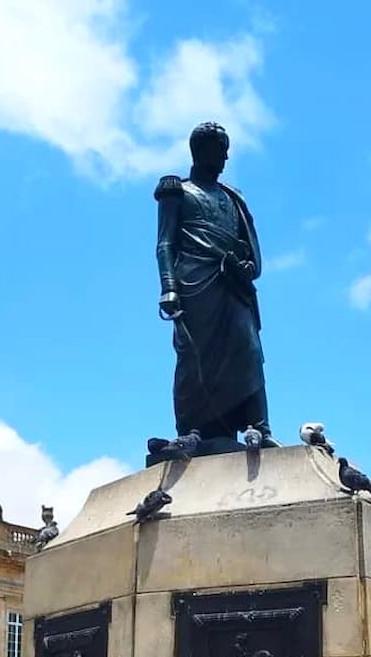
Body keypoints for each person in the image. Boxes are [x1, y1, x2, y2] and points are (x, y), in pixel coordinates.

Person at [154, 122, 278, 447]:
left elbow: (250, 250)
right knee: (194, 358)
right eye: (220, 150)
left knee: (248, 349)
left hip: (233, 284)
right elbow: (165, 243)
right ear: (201, 150)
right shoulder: (176, 190)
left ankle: (259, 427)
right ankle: (192, 431)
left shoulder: (233, 198)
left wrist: (246, 266)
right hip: (194, 282)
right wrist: (168, 286)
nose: (225, 156)